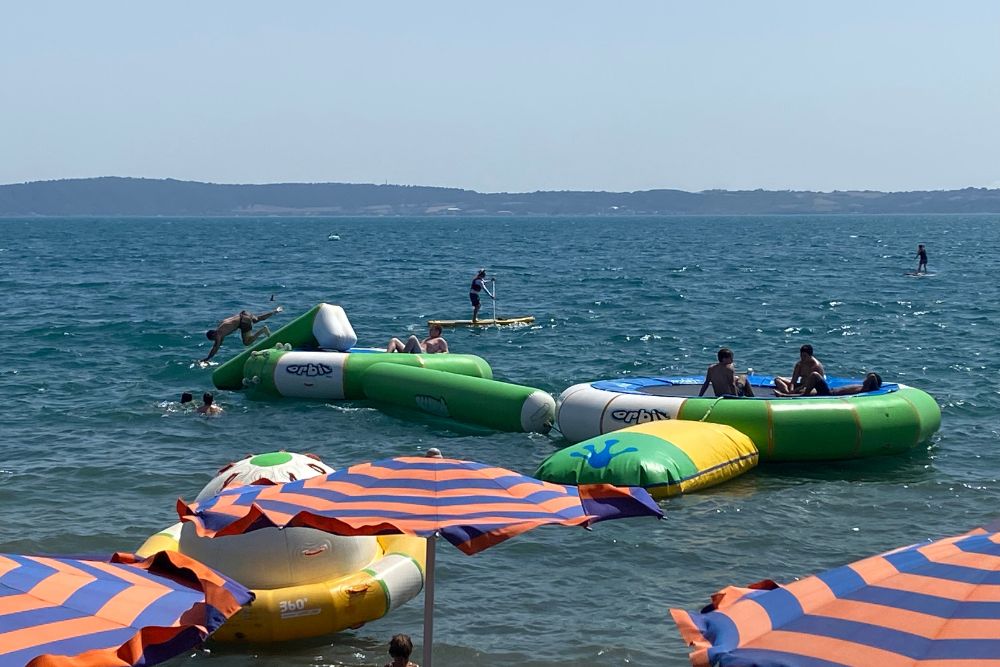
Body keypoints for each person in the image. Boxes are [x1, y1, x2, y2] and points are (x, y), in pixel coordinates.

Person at [201, 306, 283, 363]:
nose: (215, 340)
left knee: (246, 342)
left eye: (214, 339)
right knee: (257, 319)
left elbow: (215, 347)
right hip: (245, 314)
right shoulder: (221, 326)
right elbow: (220, 342)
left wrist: (207, 358)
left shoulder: (218, 335)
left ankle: (262, 330)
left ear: (214, 335)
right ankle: (275, 311)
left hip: (243, 322)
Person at [776, 371, 882, 397]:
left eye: (867, 378)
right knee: (805, 389)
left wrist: (872, 378)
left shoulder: (865, 389)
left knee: (815, 375)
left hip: (830, 394)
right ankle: (788, 393)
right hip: (830, 391)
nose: (866, 378)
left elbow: (872, 376)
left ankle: (787, 395)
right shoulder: (863, 387)